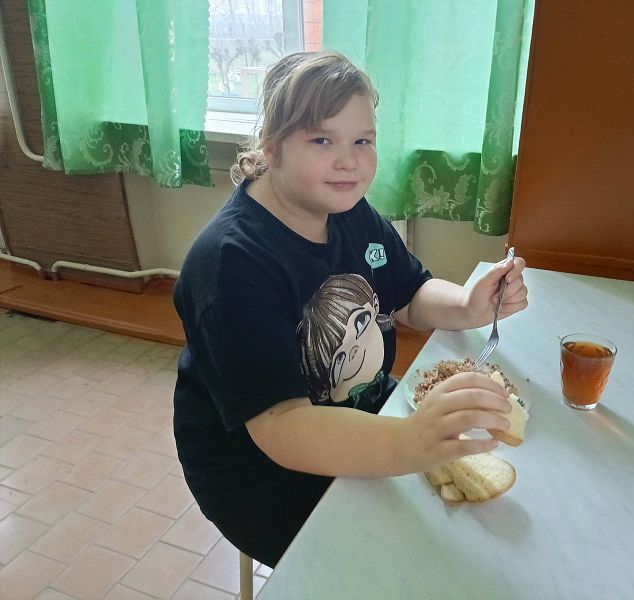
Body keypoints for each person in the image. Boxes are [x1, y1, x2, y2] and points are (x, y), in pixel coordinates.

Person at [172, 50, 528, 567]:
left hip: (362, 414)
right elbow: (281, 427)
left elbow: (409, 294)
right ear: (271, 144)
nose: (349, 161)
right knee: (405, 563)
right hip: (262, 477)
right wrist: (407, 441)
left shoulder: (349, 210)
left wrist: (468, 303)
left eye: (363, 140)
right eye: (322, 140)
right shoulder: (232, 264)